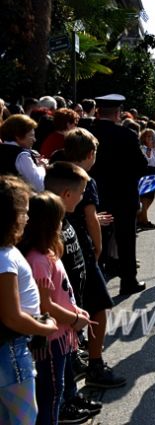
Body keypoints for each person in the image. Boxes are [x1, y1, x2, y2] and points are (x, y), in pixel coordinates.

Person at [20, 191, 96, 425]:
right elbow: (46, 305)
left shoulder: (49, 253)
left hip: (61, 334)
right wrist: (74, 319)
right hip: (51, 338)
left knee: (60, 384)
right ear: (47, 224)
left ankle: (64, 408)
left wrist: (76, 313)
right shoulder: (38, 260)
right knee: (51, 392)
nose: (62, 224)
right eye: (59, 219)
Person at [57, 130, 123, 388]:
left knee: (69, 302)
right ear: (91, 154)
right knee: (98, 305)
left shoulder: (56, 171)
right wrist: (98, 246)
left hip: (61, 244)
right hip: (81, 246)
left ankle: (73, 358)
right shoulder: (85, 179)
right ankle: (96, 364)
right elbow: (89, 216)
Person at [0, 177, 58, 425]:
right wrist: (45, 327)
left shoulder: (7, 251)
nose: (26, 218)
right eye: (23, 212)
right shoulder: (3, 259)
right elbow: (11, 316)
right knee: (23, 419)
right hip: (11, 348)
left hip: (12, 346)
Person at [88, 94, 147, 296]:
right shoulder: (127, 135)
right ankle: (128, 281)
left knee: (97, 239)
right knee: (126, 240)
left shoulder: (88, 132)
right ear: (118, 113)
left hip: (96, 196)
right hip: (124, 196)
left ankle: (95, 283)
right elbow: (142, 165)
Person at [0, 114, 46, 191]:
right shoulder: (22, 155)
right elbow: (39, 185)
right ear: (18, 136)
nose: (34, 140)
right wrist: (41, 167)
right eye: (31, 136)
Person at [137, 128, 155, 231]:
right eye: (148, 136)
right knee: (145, 197)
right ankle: (144, 219)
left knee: (151, 197)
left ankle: (141, 216)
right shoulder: (143, 148)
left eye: (153, 137)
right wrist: (149, 150)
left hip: (154, 171)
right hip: (147, 171)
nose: (151, 139)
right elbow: (147, 160)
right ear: (144, 138)